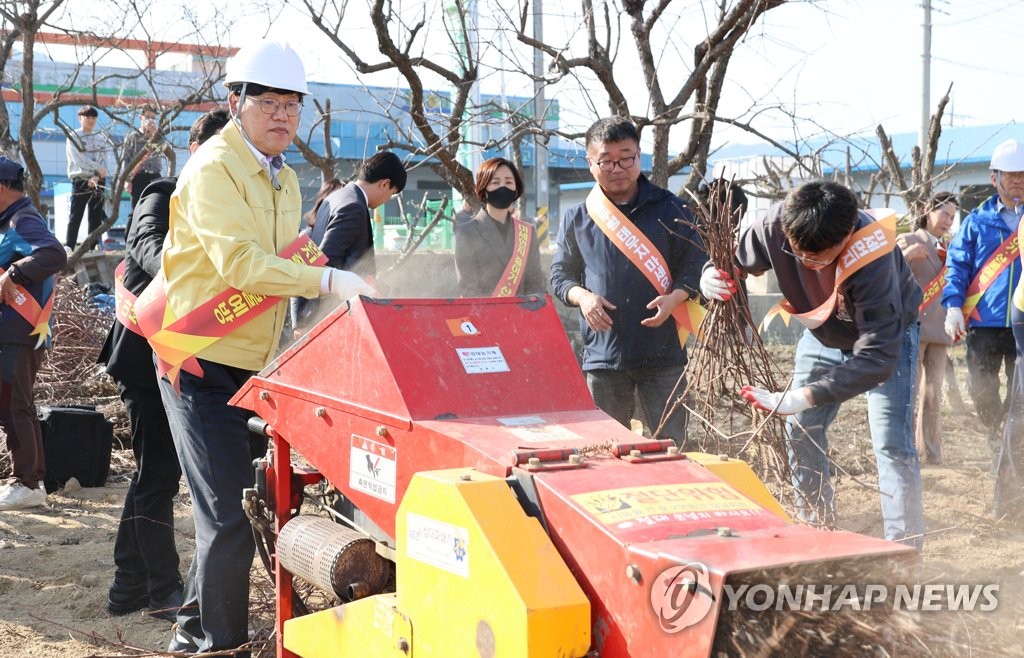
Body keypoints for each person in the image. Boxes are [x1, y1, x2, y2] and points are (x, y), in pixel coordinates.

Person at [146, 40, 373, 655]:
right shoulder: (213, 169)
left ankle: (193, 628)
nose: (281, 115)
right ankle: (214, 645)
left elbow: (283, 266)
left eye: (291, 106)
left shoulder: (281, 177)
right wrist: (325, 279)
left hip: (252, 367)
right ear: (234, 103)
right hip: (195, 363)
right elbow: (244, 266)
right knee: (226, 516)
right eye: (267, 102)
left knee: (241, 509)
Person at [701, 180, 925, 549]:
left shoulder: (874, 259)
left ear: (848, 233)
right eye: (798, 254)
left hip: (886, 339)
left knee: (891, 446)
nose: (807, 263)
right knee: (801, 431)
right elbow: (731, 261)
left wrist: (803, 395)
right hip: (821, 333)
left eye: (819, 258)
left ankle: (903, 554)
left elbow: (877, 357)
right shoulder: (774, 226)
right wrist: (710, 273)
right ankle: (817, 533)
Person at [97, 109, 229, 621]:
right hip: (148, 355)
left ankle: (128, 584)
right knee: (158, 475)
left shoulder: (231, 206)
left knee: (155, 474)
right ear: (197, 151)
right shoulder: (164, 191)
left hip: (192, 356)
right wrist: (196, 272)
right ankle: (160, 589)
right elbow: (146, 245)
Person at [550, 116, 705, 444]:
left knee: (671, 445)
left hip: (662, 352)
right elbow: (560, 276)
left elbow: (694, 263)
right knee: (606, 450)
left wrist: (676, 297)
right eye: (606, 160)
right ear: (590, 162)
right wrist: (584, 298)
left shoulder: (671, 207)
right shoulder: (578, 217)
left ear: (639, 156)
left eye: (626, 157)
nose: (617, 167)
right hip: (604, 354)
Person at [943, 138, 1024, 473]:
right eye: (1011, 174)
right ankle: (997, 436)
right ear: (995, 178)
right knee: (982, 390)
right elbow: (957, 266)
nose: (1018, 179)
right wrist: (951, 307)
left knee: (1020, 398)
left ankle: (1014, 448)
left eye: (1023, 174)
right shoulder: (975, 222)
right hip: (984, 323)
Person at [0, 157, 67, 510]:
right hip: (13, 331)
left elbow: (55, 253)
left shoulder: (22, 220)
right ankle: (27, 479)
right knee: (10, 405)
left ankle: (28, 482)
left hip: (20, 331)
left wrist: (14, 274)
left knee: (16, 406)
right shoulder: (11, 222)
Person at [897, 192, 957, 465]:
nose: (948, 221)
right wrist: (907, 255)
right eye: (944, 214)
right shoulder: (908, 240)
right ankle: (904, 450)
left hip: (941, 330)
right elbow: (886, 275)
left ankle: (931, 453)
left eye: (953, 217)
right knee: (909, 391)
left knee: (933, 394)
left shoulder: (952, 247)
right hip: (914, 327)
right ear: (927, 209)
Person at [455, 157, 545, 297]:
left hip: (522, 316)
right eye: (495, 182)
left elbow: (535, 282)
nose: (503, 187)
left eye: (508, 182)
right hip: (483, 316)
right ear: (483, 189)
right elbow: (468, 287)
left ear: (516, 190)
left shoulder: (527, 232)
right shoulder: (467, 232)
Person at [316, 151, 406, 277]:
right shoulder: (354, 207)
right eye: (391, 194)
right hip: (337, 295)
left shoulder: (336, 196)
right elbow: (327, 261)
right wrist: (358, 284)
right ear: (385, 184)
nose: (387, 200)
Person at [65, 105, 113, 250]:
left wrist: (97, 176)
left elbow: (105, 160)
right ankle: (70, 246)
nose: (91, 120)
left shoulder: (101, 138)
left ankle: (92, 246)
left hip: (98, 179)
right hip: (80, 179)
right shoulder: (73, 137)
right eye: (87, 117)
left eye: (93, 117)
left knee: (95, 215)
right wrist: (97, 170)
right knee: (76, 214)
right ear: (80, 118)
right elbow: (79, 159)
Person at [121, 104, 176, 214]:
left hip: (155, 176)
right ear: (141, 118)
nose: (150, 121)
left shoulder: (159, 137)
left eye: (153, 118)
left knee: (155, 209)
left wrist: (156, 135)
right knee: (136, 211)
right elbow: (125, 159)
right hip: (138, 177)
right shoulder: (133, 137)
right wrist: (127, 180)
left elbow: (169, 155)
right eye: (147, 117)